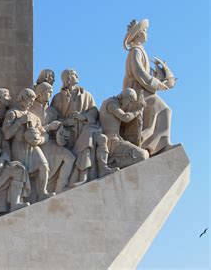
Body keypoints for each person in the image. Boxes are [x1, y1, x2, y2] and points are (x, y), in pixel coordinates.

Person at [52, 69, 116, 185]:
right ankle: (80, 177)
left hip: (86, 129)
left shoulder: (87, 95)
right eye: (74, 75)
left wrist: (83, 117)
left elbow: (94, 111)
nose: (77, 76)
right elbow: (52, 117)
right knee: (87, 141)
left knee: (98, 139)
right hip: (69, 135)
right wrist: (65, 122)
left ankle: (101, 168)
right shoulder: (57, 98)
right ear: (68, 78)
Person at [122, 19, 174, 155]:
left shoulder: (140, 51)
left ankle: (159, 143)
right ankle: (153, 144)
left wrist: (160, 78)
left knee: (163, 110)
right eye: (144, 31)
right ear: (138, 34)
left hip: (143, 90)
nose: (146, 33)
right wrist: (157, 84)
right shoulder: (135, 51)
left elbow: (145, 74)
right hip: (136, 93)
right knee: (164, 109)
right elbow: (139, 73)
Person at [2, 88, 54, 201]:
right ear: (23, 98)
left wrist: (39, 140)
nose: (31, 103)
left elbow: (45, 135)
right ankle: (17, 201)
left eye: (33, 101)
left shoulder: (34, 117)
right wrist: (19, 122)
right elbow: (6, 135)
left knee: (44, 166)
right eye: (30, 100)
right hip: (19, 146)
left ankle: (42, 193)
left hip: (33, 147)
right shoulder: (12, 113)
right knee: (21, 171)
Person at [30, 82, 75, 193]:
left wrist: (63, 131)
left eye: (51, 91)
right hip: (37, 145)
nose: (51, 94)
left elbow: (60, 125)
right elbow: (31, 132)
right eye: (48, 91)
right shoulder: (31, 109)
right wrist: (49, 127)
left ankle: (60, 186)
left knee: (70, 157)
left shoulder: (52, 110)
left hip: (51, 143)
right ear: (41, 92)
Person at [99, 88, 149, 169]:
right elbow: (125, 117)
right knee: (142, 155)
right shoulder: (111, 103)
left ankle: (114, 162)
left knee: (145, 155)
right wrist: (138, 111)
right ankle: (111, 165)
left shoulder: (113, 103)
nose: (130, 105)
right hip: (111, 143)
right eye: (131, 101)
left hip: (117, 141)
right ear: (125, 97)